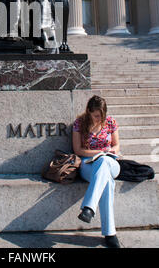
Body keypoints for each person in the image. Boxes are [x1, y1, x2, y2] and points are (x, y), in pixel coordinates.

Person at [72, 95, 121, 248]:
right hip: (88, 164)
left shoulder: (110, 122)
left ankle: (89, 207)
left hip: (111, 162)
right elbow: (78, 150)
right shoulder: (79, 123)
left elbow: (117, 145)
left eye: (101, 115)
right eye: (95, 115)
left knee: (105, 162)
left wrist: (109, 151)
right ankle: (110, 233)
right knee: (106, 181)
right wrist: (98, 152)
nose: (98, 118)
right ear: (89, 111)